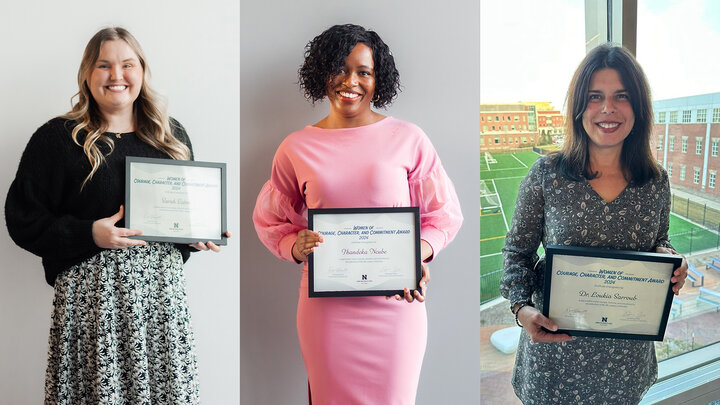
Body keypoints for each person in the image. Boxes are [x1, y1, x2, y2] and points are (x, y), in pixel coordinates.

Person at [5, 27, 226, 404]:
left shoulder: (171, 136)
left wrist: (196, 234)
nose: (116, 75)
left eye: (127, 64)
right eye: (104, 65)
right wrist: (89, 233)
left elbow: (181, 217)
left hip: (159, 302)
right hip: (91, 305)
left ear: (142, 71)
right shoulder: (59, 138)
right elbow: (22, 220)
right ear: (87, 74)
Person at [253, 24, 463, 404]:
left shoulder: (409, 138)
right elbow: (271, 220)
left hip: (395, 307)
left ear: (377, 79)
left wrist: (419, 251)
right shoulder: (295, 147)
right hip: (327, 312)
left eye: (364, 72)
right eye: (340, 68)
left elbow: (444, 214)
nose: (352, 81)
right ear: (322, 73)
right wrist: (294, 245)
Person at [500, 43, 689, 404]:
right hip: (555, 363)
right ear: (577, 108)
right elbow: (517, 252)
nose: (608, 109)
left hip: (625, 365)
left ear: (638, 107)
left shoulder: (656, 181)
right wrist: (521, 309)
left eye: (621, 96)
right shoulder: (547, 175)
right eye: (594, 96)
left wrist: (673, 262)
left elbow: (660, 242)